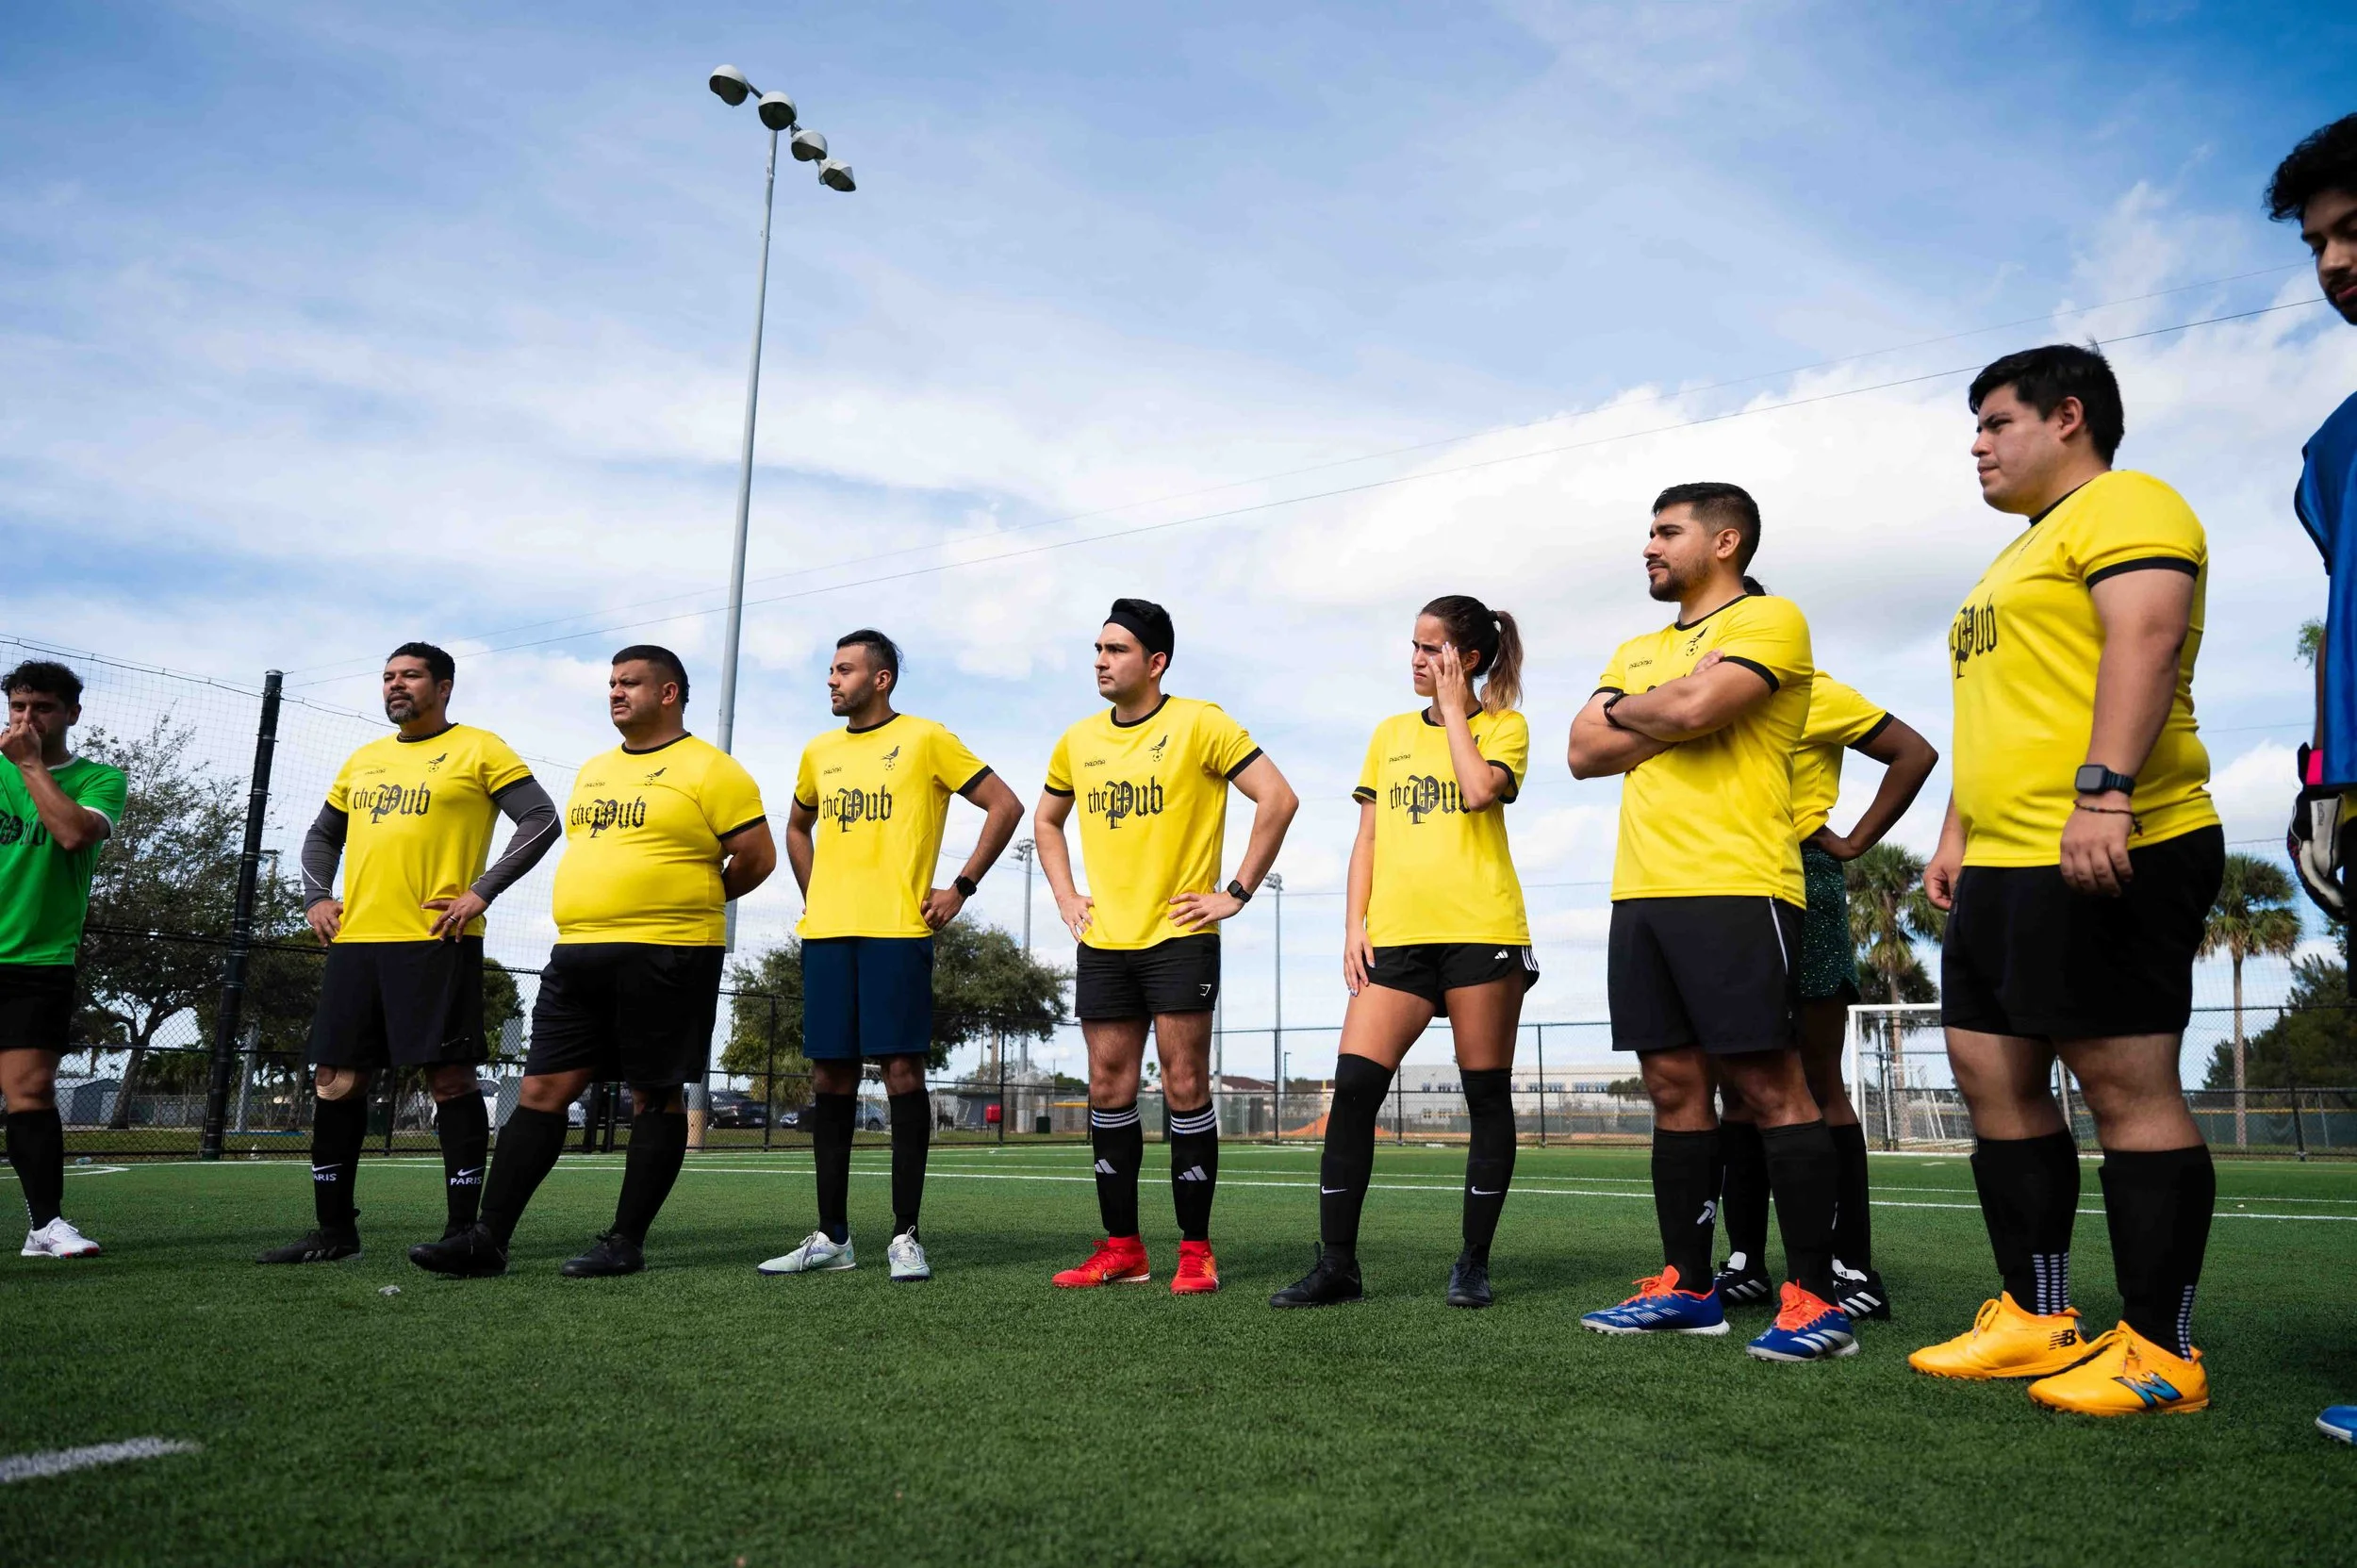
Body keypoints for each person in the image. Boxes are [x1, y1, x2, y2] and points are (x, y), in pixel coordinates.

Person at [1908, 345, 2224, 1417]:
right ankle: (2037, 1318)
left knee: (2126, 1092)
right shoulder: (2011, 558)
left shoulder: (2127, 502)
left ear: (2068, 417)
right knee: (1992, 1080)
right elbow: (1999, 711)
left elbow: (2147, 635)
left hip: (2112, 839)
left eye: (1996, 422)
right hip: (2003, 863)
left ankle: (2162, 1351)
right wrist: (1956, 831)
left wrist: (2105, 792)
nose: (1977, 445)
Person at [1567, 482, 1856, 1362]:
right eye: (1648, 531)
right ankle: (1689, 1288)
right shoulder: (1638, 647)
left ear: (1725, 541)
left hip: (1738, 883)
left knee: (1770, 1087)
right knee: (1672, 1088)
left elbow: (1695, 710)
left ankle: (1816, 1301)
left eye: (1667, 531)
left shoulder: (1772, 621)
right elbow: (1582, 750)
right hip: (1641, 891)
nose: (1648, 546)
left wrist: (1650, 709)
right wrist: (1672, 702)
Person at [409, 646, 776, 1278]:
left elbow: (757, 856)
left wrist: (686, 898)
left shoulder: (713, 770)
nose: (615, 692)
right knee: (540, 1089)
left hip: (669, 952)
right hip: (577, 954)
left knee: (654, 1093)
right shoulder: (595, 770)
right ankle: (485, 1239)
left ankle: (624, 1241)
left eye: (629, 683)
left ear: (668, 693)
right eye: (611, 683)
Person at [1271, 596, 1535, 1311]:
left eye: (1430, 648)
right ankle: (1337, 1266)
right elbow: (1368, 838)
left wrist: (1454, 711)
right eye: (1413, 645)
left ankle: (1472, 1263)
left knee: (1485, 1095)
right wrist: (1353, 925)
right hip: (1396, 939)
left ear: (1467, 659)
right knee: (1354, 1089)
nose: (1415, 659)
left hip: (1483, 932)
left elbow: (1478, 791)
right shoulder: (1388, 734)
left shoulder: (1504, 726)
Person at [259, 644, 558, 1264]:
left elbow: (540, 818)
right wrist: (317, 897)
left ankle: (461, 1232)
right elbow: (321, 835)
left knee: (449, 1079)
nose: (396, 685)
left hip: (436, 940)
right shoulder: (364, 759)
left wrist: (481, 891)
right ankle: (335, 1232)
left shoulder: (480, 748)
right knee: (335, 1082)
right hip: (356, 943)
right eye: (388, 676)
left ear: (443, 687)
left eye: (411, 676)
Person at [1034, 599, 1298, 1295]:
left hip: (1180, 936)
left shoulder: (1201, 723)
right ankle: (1122, 1248)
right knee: (1107, 1086)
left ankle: (1196, 1249)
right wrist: (1066, 897)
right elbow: (1047, 821)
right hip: (1105, 941)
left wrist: (1235, 892)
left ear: (1156, 663)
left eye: (1116, 649)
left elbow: (1278, 798)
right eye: (1098, 648)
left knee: (1184, 1085)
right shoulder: (1077, 740)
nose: (1100, 660)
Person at [757, 629, 1022, 1283]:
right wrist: (816, 893)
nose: (832, 679)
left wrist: (960, 888)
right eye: (831, 669)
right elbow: (795, 825)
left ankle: (906, 1235)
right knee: (830, 1077)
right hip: (827, 935)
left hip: (897, 933)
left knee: (901, 1071)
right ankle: (832, 1236)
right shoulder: (819, 751)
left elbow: (1005, 804)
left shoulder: (926, 738)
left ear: (880, 679)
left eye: (844, 669)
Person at [1713, 673, 1936, 1320]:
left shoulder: (1816, 691)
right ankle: (1745, 1262)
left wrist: (1854, 841)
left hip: (1805, 879)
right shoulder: (1706, 693)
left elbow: (1914, 752)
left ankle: (1851, 1265)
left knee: (1815, 1077)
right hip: (1724, 886)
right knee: (1737, 1086)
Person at [2267, 113, 2357, 1447]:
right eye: (2320, 242)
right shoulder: (2333, 448)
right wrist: (2328, 777)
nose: (2337, 262)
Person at [1, 662, 125, 1259]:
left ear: (71, 713)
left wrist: (29, 765)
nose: (27, 719)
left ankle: (44, 1227)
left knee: (30, 1090)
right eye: (18, 707)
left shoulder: (99, 778)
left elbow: (74, 834)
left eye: (42, 708)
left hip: (39, 958)